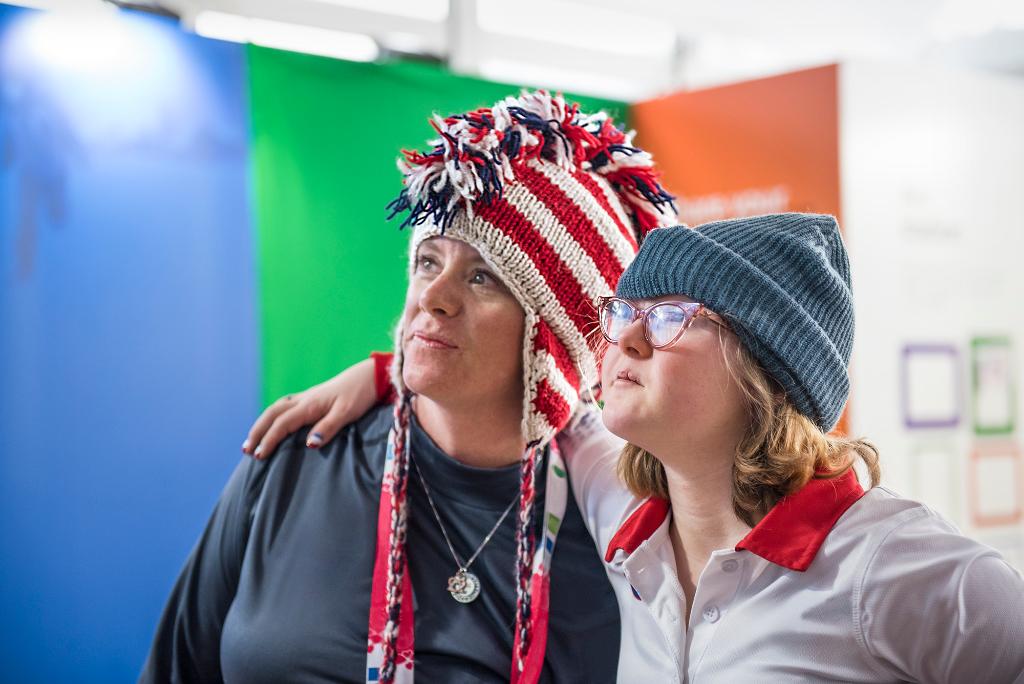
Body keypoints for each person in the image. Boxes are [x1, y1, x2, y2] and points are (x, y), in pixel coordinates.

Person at [250, 214, 1024, 682]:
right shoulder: (627, 515)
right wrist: (393, 368)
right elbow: (524, 389)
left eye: (668, 316)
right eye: (624, 307)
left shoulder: (888, 564)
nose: (621, 334)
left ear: (766, 372)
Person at [140, 90, 678, 683]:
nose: (433, 296)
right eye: (428, 261)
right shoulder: (297, 453)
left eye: (483, 277)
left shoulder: (617, 533)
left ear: (552, 339)